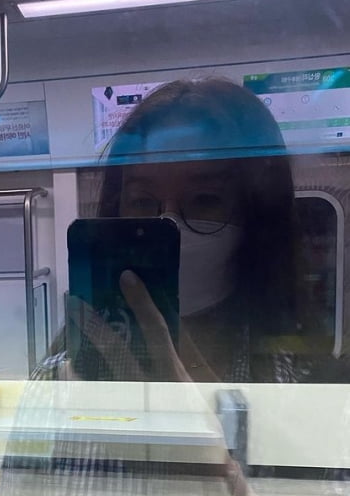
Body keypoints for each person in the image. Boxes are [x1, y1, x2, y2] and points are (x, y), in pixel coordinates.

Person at [36, 78, 305, 385]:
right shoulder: (63, 375)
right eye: (142, 201)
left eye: (204, 200)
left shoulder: (299, 375)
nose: (171, 223)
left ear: (255, 217)